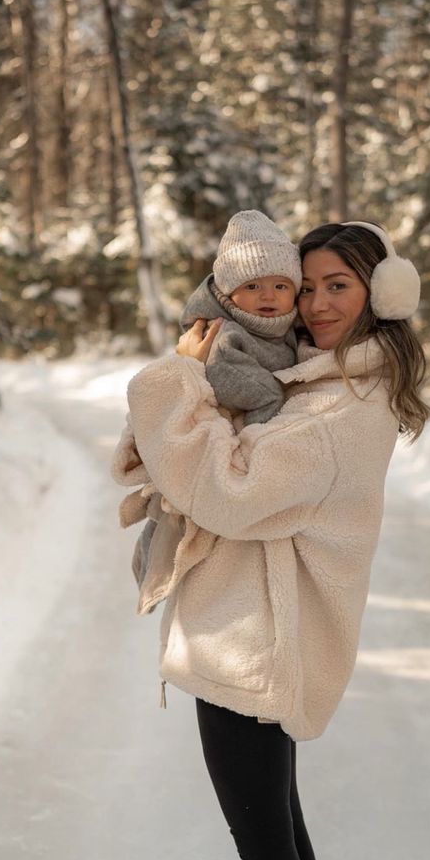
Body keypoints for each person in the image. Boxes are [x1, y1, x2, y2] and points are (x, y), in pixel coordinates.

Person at [111, 219, 430, 860]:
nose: (316, 304)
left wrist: (177, 379)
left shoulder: (341, 408)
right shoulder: (319, 380)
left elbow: (228, 489)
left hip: (255, 642)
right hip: (261, 634)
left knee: (264, 849)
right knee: (278, 833)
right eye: (306, 286)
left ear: (381, 293)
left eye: (338, 285)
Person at [129, 209, 303, 616]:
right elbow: (227, 377)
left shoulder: (282, 328)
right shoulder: (224, 332)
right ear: (227, 293)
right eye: (253, 285)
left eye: (281, 285)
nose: (268, 296)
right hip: (218, 431)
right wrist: (272, 401)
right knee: (175, 521)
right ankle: (150, 572)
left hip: (219, 440)